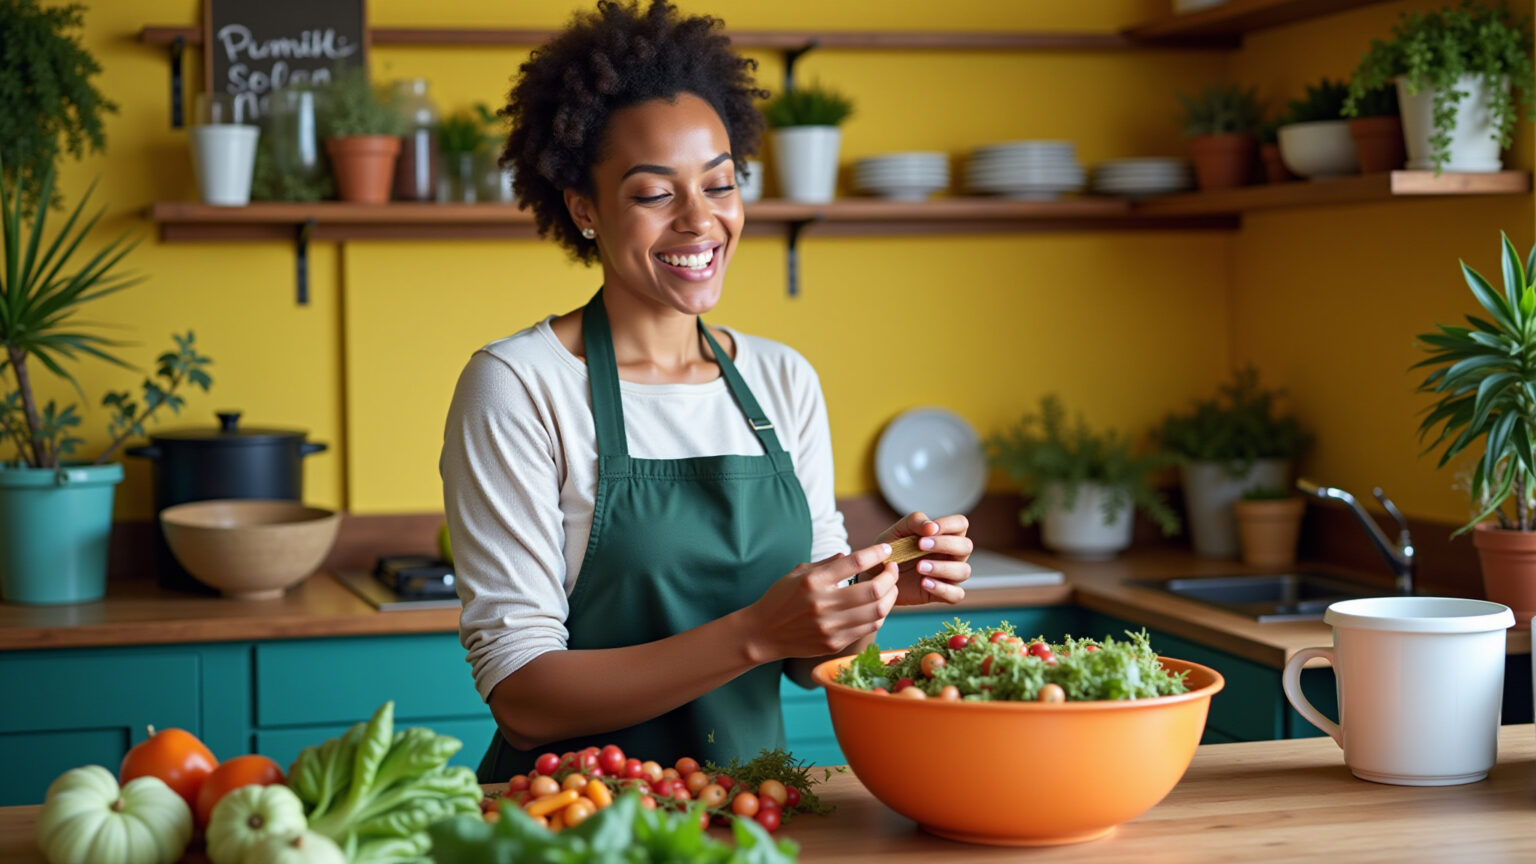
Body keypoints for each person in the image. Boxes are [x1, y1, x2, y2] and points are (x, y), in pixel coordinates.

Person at [440, 0, 972, 782]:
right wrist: (754, 632)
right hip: (567, 823)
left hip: (749, 815)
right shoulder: (519, 386)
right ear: (583, 209)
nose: (701, 221)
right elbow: (523, 697)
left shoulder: (781, 379)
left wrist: (874, 586)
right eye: (656, 194)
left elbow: (804, 662)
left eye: (720, 185)